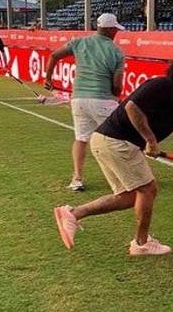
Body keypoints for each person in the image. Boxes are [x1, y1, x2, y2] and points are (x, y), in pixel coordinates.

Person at [52, 52, 173, 256]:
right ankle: (141, 243)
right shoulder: (161, 86)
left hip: (108, 143)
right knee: (148, 189)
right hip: (115, 141)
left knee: (128, 198)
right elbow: (132, 108)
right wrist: (151, 140)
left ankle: (73, 213)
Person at [45, 13, 126, 192]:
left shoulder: (79, 42)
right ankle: (124, 177)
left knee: (81, 139)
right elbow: (117, 86)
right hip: (103, 99)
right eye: (116, 30)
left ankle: (77, 179)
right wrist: (117, 94)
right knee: (118, 139)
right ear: (111, 30)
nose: (117, 33)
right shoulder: (116, 52)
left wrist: (48, 78)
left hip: (79, 99)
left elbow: (54, 55)